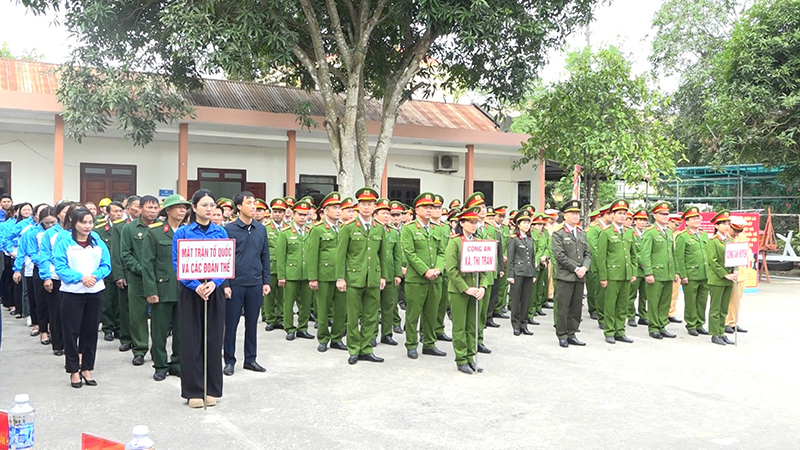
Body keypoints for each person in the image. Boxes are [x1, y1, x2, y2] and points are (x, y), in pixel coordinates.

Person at [173, 189, 228, 408]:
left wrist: (215, 282)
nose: (209, 209)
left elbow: (226, 262)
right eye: (204, 205)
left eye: (212, 205)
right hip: (191, 290)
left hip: (213, 289)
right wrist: (196, 285)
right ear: (193, 208)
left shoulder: (220, 232)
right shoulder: (183, 233)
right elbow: (178, 263)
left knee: (214, 340)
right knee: (191, 340)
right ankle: (193, 391)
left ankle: (211, 388)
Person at [53, 208, 111, 388]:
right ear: (74, 223)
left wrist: (95, 276)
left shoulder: (97, 241)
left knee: (90, 331)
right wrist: (81, 278)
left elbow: (106, 264)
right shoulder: (64, 241)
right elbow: (60, 266)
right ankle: (73, 370)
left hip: (95, 292)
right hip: (72, 293)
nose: (87, 226)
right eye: (83, 222)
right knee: (71, 332)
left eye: (90, 222)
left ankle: (87, 367)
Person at [222, 191, 271, 376]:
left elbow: (265, 256)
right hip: (235, 284)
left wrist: (266, 280)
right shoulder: (229, 229)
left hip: (255, 283)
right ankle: (229, 360)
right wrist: (225, 283)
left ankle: (250, 359)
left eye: (255, 203)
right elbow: (225, 258)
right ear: (239, 207)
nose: (253, 206)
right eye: (249, 203)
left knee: (252, 324)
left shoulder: (261, 229)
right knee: (231, 324)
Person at [336, 188, 387, 365]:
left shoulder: (379, 228)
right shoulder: (348, 227)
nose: (367, 207)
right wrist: (340, 278)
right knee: (353, 316)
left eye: (370, 204)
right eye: (363, 204)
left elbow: (383, 255)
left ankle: (367, 349)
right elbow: (341, 255)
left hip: (373, 277)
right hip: (354, 278)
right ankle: (354, 349)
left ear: (375, 207)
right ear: (358, 206)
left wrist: (383, 276)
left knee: (371, 316)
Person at [142, 194, 190, 381]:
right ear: (167, 210)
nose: (182, 210)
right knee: (160, 330)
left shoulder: (188, 232)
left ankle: (177, 363)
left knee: (181, 329)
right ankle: (160, 364)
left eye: (184, 207)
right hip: (162, 289)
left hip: (185, 288)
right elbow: (148, 264)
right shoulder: (154, 232)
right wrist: (151, 291)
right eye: (178, 207)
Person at [401, 192, 447, 359]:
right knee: (413, 314)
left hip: (436, 278)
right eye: (425, 207)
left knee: (432, 313)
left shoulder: (438, 229)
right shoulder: (409, 228)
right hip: (417, 279)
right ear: (416, 209)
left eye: (431, 207)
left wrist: (439, 269)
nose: (429, 210)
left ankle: (429, 343)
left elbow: (442, 252)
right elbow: (409, 253)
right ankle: (411, 344)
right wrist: (425, 270)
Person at [445, 206, 490, 374]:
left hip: (476, 290)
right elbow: (451, 270)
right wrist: (465, 288)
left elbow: (486, 268)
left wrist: (483, 286)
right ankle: (461, 359)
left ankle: (471, 357)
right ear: (461, 223)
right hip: (459, 291)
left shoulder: (479, 242)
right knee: (460, 326)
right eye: (470, 222)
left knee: (473, 325)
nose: (474, 225)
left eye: (476, 222)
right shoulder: (455, 242)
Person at [121, 195, 160, 366]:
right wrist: (142, 270)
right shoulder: (129, 229)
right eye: (149, 208)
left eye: (155, 208)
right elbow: (125, 254)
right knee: (137, 316)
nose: (152, 211)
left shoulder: (162, 227)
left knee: (160, 317)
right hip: (138, 279)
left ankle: (158, 350)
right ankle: (140, 349)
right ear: (140, 209)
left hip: (160, 279)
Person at [307, 192, 346, 352]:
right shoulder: (317, 229)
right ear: (325, 211)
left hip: (341, 275)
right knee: (323, 309)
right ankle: (323, 338)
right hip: (324, 275)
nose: (338, 211)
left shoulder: (344, 228)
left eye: (339, 207)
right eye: (334, 208)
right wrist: (313, 278)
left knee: (340, 309)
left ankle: (337, 338)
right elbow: (312, 254)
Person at [596, 199, 637, 344]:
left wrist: (633, 272)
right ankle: (609, 331)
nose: (622, 216)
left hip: (626, 274)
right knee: (610, 304)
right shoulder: (606, 233)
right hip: (612, 275)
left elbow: (633, 254)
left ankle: (620, 330)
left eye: (624, 213)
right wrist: (603, 277)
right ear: (612, 215)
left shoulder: (629, 232)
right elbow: (601, 257)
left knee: (623, 304)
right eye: (619, 213)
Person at [38, 202, 76, 356]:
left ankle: (72, 345)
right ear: (58, 214)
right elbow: (44, 256)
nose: (67, 215)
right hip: (55, 277)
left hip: (74, 279)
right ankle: (58, 344)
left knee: (72, 314)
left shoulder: (78, 231)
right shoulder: (50, 234)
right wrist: (46, 277)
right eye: (64, 212)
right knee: (56, 312)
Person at [552, 200, 591, 348]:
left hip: (580, 276)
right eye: (572, 213)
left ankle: (572, 333)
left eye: (577, 213)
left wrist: (585, 268)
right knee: (563, 307)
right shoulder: (559, 233)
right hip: (566, 276)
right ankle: (562, 334)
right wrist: (576, 268)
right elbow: (559, 255)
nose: (576, 216)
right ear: (565, 215)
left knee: (576, 307)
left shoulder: (581, 233)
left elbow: (588, 253)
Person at [641, 202, 679, 340]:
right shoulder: (650, 232)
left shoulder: (669, 232)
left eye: (667, 214)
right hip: (656, 273)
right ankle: (654, 327)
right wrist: (648, 273)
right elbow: (645, 254)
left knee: (665, 302)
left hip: (667, 273)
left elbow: (672, 254)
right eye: (662, 214)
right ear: (655, 215)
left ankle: (662, 326)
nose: (665, 216)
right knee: (654, 302)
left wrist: (675, 271)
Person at [277, 200, 314, 340]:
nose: (303, 217)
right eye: (300, 214)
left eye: (305, 214)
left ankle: (302, 328)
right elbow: (281, 257)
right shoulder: (285, 232)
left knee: (306, 302)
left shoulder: (312, 231)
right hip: (291, 273)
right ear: (293, 214)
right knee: (289, 303)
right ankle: (289, 328)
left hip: (307, 273)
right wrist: (281, 275)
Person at [675, 206, 710, 337]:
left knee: (702, 300)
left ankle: (700, 323)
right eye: (693, 218)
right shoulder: (683, 237)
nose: (696, 220)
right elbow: (679, 257)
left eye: (698, 218)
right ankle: (691, 324)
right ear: (687, 222)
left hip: (704, 273)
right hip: (691, 274)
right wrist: (683, 275)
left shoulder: (704, 234)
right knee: (691, 300)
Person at [112, 196, 140, 353]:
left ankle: (140, 340)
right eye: (136, 206)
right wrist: (118, 274)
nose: (139, 209)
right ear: (128, 209)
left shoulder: (154, 224)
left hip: (147, 272)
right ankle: (126, 338)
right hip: (126, 271)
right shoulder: (120, 226)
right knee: (125, 307)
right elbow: (116, 252)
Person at [373, 198, 402, 347]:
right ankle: (372, 335)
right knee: (372, 307)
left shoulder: (393, 233)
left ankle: (387, 334)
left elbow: (398, 256)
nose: (386, 216)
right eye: (383, 213)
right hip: (374, 274)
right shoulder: (372, 230)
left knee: (389, 305)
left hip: (390, 274)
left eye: (388, 214)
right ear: (375, 214)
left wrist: (398, 274)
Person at [706, 210, 737, 346]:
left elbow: (732, 258)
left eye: (728, 224)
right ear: (716, 226)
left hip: (729, 279)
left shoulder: (729, 240)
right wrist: (725, 274)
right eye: (723, 223)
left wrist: (735, 271)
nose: (726, 226)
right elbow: (712, 261)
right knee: (716, 308)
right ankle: (714, 333)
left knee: (724, 307)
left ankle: (721, 332)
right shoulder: (713, 241)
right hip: (718, 279)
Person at [506, 210, 536, 336]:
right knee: (516, 299)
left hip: (528, 273)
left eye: (528, 222)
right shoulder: (514, 239)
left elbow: (533, 258)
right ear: (518, 224)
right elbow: (510, 258)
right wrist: (510, 275)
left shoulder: (530, 239)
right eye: (524, 222)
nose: (526, 225)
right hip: (517, 273)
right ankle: (516, 324)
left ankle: (524, 324)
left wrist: (534, 273)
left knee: (526, 300)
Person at [32, 207, 58, 346]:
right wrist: (45, 262)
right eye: (46, 223)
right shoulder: (33, 232)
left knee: (54, 305)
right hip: (41, 269)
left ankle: (54, 331)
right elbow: (32, 252)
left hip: (56, 271)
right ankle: (43, 331)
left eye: (52, 222)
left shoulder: (60, 232)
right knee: (41, 302)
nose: (50, 225)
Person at [98, 201, 124, 341]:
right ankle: (108, 327)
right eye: (115, 211)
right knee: (108, 301)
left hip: (121, 269)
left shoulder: (125, 227)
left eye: (120, 211)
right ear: (107, 213)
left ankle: (119, 327)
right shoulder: (100, 229)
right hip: (107, 271)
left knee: (120, 302)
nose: (118, 214)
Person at [262, 198, 287, 331]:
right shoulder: (265, 229)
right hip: (270, 266)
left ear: (284, 214)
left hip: (284, 267)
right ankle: (270, 319)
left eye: (280, 212)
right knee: (269, 294)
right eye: (275, 211)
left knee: (282, 295)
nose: (277, 214)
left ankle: (281, 317)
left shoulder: (289, 228)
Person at [431, 195, 453, 342]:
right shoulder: (425, 226)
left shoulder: (446, 227)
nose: (438, 210)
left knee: (442, 302)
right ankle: (428, 330)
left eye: (439, 208)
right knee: (430, 304)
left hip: (445, 270)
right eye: (434, 208)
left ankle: (439, 328)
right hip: (431, 269)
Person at [586, 204, 611, 324]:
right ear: (606, 214)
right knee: (596, 290)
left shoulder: (609, 229)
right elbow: (593, 249)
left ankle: (602, 311)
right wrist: (603, 263)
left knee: (604, 291)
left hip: (607, 265)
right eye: (611, 214)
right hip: (595, 265)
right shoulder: (594, 229)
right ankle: (595, 310)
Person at [725, 215, 749, 334]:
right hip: (727, 273)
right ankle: (725, 322)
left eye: (739, 230)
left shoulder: (743, 236)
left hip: (740, 273)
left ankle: (733, 322)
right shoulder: (723, 237)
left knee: (736, 299)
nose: (737, 233)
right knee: (726, 299)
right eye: (735, 230)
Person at [628, 210, 649, 327]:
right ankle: (631, 316)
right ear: (634, 221)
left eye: (644, 220)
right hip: (636, 269)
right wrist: (643, 262)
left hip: (645, 270)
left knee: (644, 295)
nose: (642, 223)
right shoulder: (630, 233)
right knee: (631, 295)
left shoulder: (647, 233)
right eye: (640, 220)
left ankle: (643, 315)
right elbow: (634, 252)